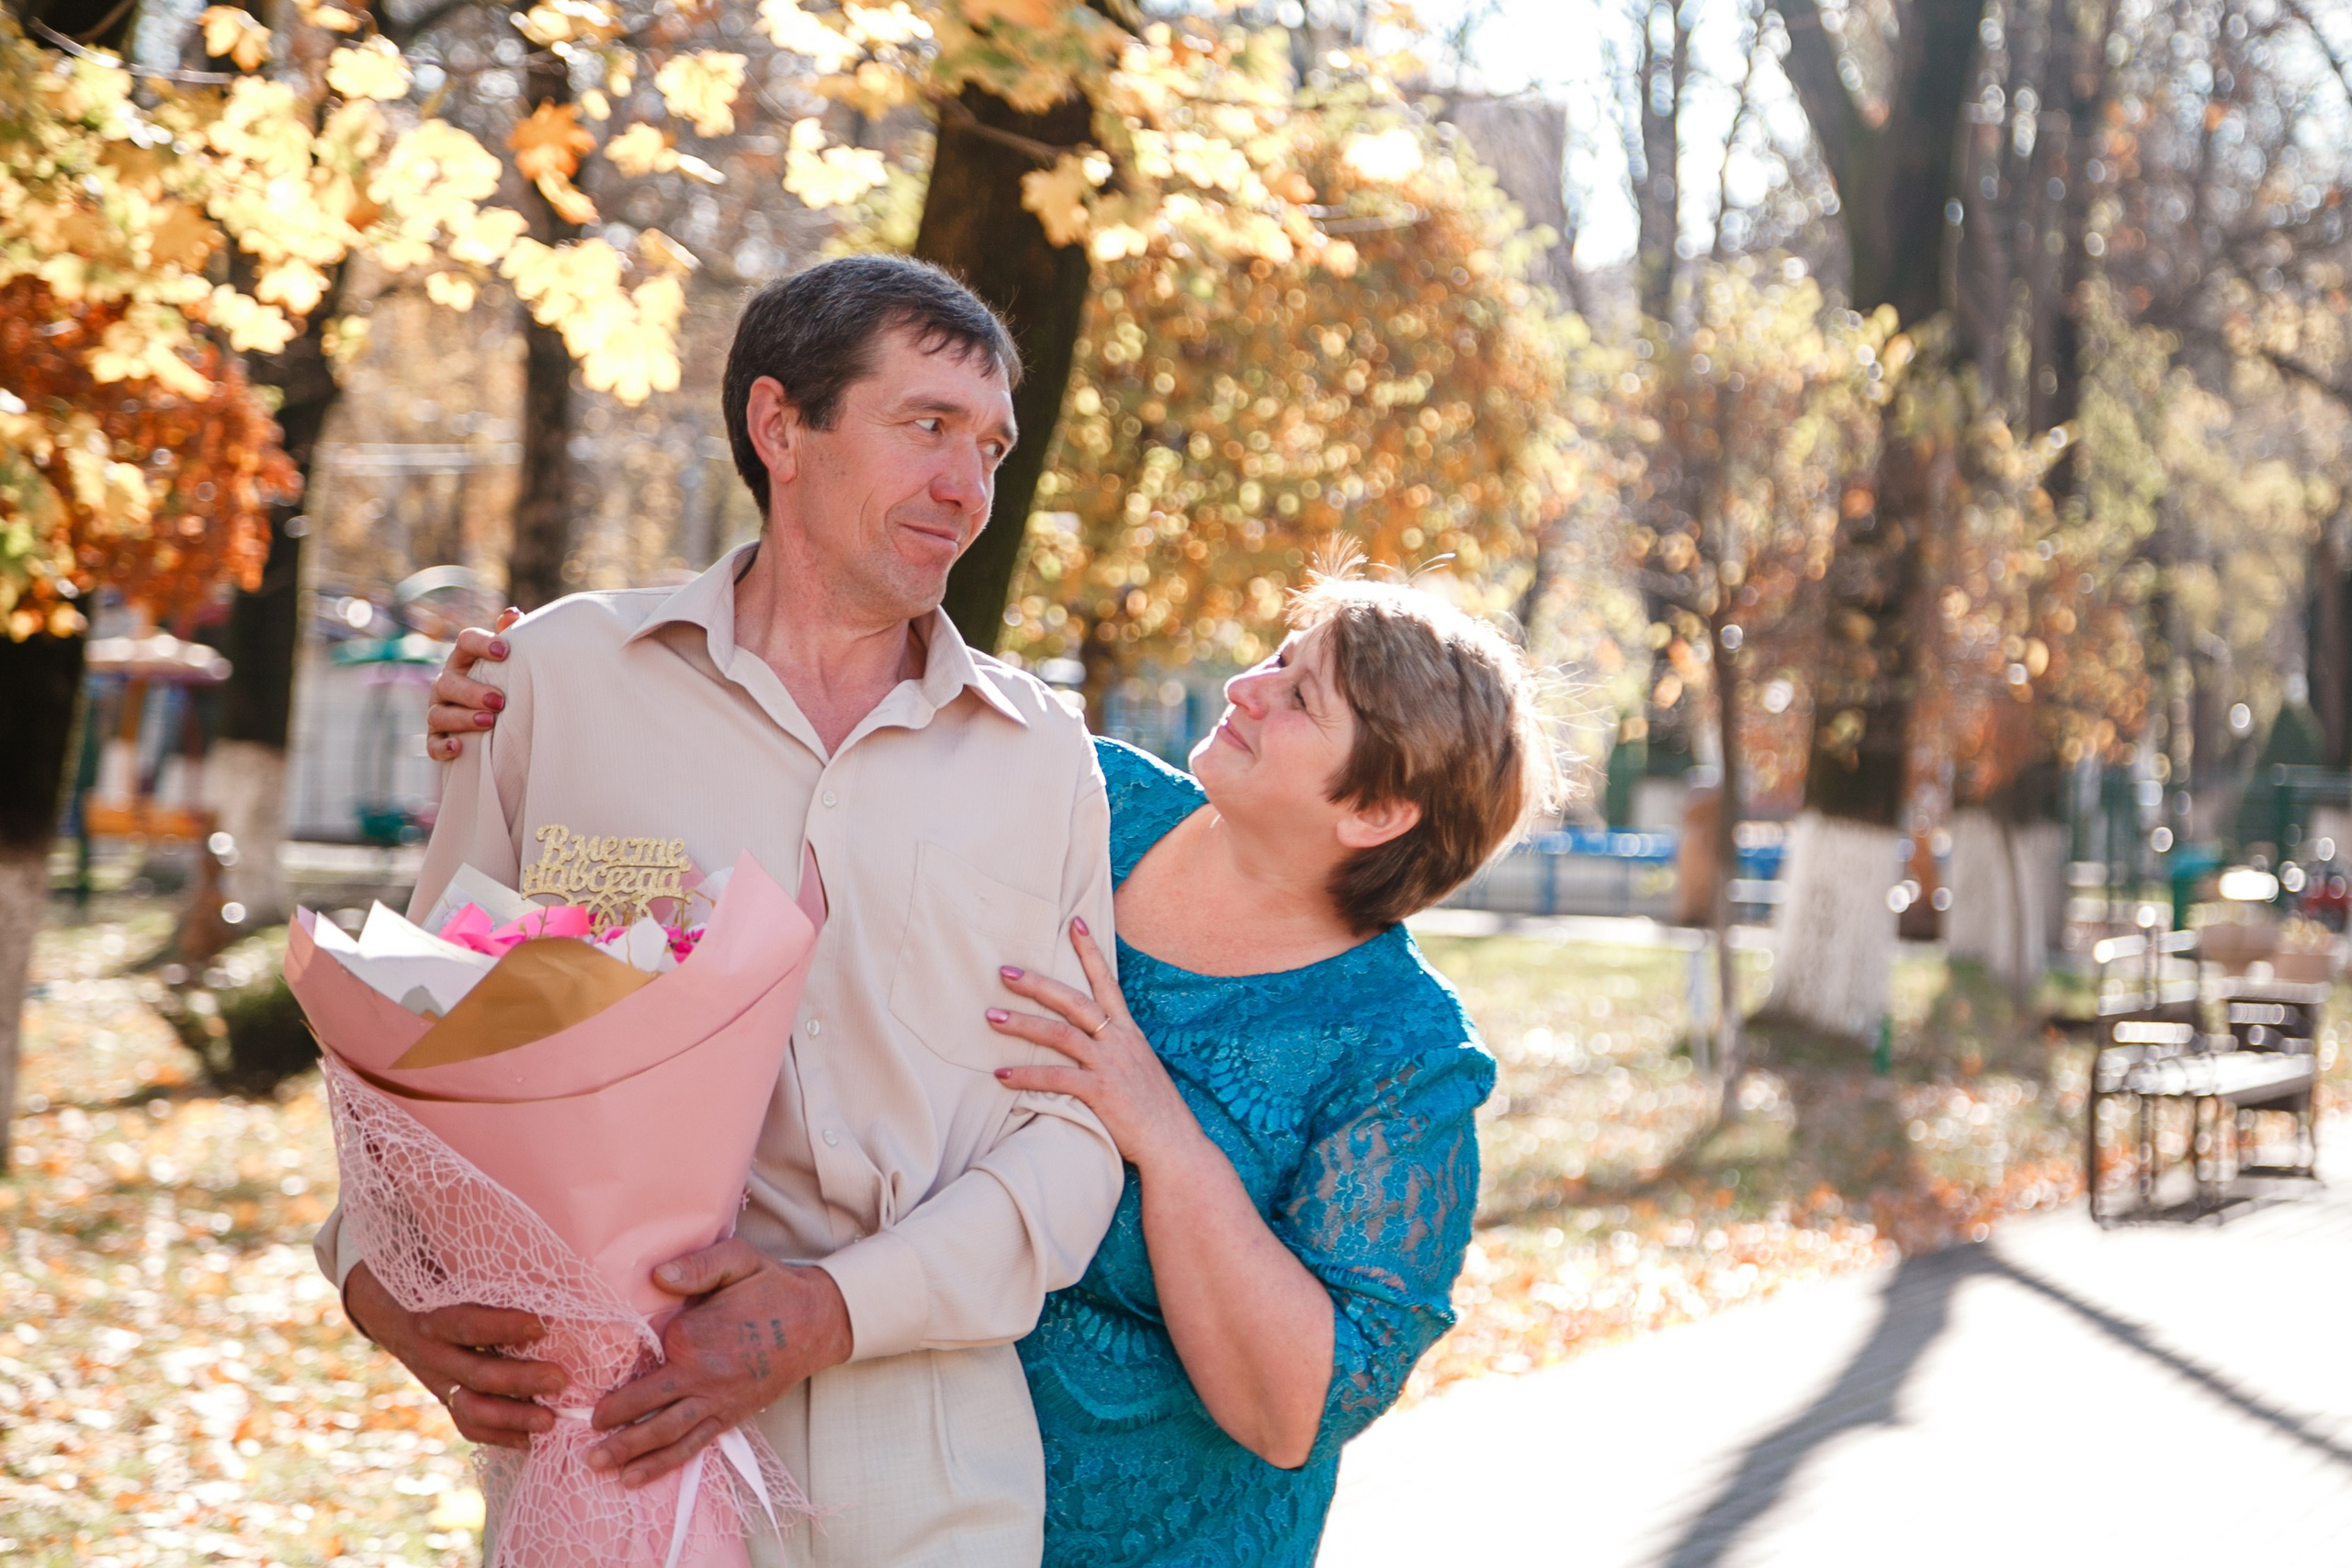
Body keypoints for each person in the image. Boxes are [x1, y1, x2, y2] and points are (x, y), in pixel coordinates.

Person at [434, 564, 1554, 1565]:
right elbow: (804, 784)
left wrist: (1158, 1131)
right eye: (1276, 658)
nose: (1243, 687)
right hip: (885, 1476)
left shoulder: (1404, 1055)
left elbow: (1288, 1411)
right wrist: (541, 702)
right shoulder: (1080, 791)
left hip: (1167, 1545)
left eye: (1299, 696)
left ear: (1376, 809)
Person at [322, 254, 1126, 1568]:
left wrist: (827, 1309)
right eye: (926, 425)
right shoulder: (556, 681)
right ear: (779, 426)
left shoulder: (1045, 757)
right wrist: (384, 1281)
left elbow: (1075, 1129)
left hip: (929, 1445)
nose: (968, 487)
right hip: (612, 1430)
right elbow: (421, 1043)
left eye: (989, 446)